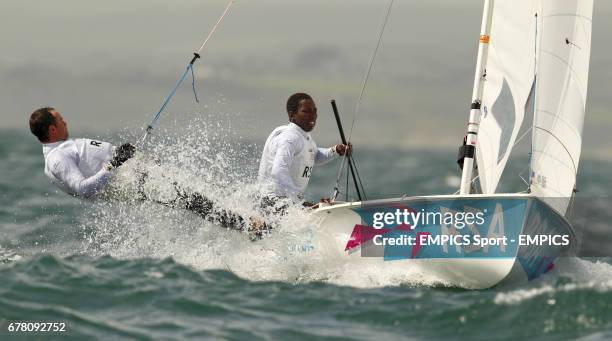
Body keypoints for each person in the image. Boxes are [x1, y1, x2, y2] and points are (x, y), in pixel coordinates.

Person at [29, 107, 264, 235]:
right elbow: (83, 189)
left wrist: (126, 156)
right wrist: (115, 163)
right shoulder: (57, 159)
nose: (66, 122)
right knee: (192, 199)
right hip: (129, 184)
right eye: (61, 120)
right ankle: (247, 227)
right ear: (52, 129)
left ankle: (244, 220)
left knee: (193, 194)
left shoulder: (62, 148)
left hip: (133, 176)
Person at [258, 92, 351, 210]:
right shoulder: (290, 138)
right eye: (306, 112)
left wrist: (336, 150)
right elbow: (278, 171)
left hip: (288, 202)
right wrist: (300, 201)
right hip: (272, 203)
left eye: (314, 111)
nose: (312, 116)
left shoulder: (303, 136)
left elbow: (314, 156)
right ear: (292, 115)